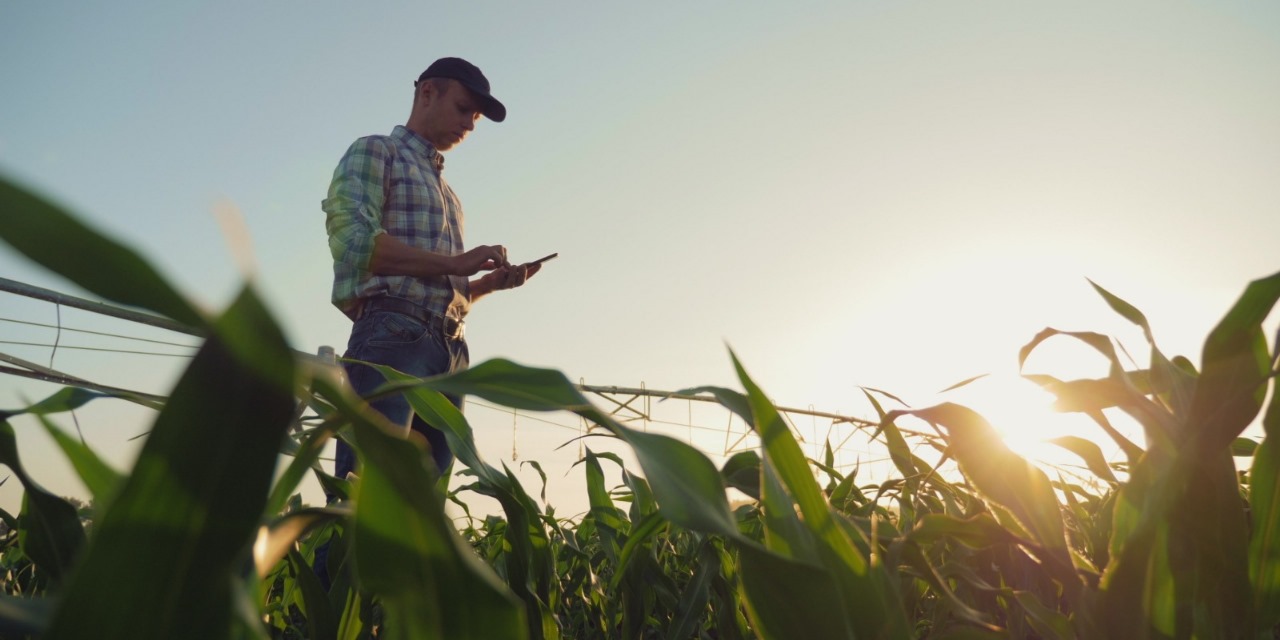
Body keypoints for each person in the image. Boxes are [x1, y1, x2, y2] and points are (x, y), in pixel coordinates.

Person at [322, 57, 540, 482]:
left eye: (476, 117)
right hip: (392, 338)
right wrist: (455, 263)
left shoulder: (450, 195)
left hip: (450, 350)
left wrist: (484, 286)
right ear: (427, 93)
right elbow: (352, 242)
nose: (471, 126)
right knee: (364, 498)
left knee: (422, 518)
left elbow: (434, 286)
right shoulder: (376, 151)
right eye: (464, 109)